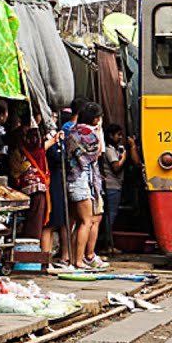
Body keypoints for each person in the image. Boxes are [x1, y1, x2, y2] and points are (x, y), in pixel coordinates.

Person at [66, 102, 108, 270]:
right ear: (95, 118)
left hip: (75, 180)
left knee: (80, 221)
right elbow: (96, 153)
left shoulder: (73, 131)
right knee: (86, 221)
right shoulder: (88, 133)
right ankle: (78, 260)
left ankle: (75, 258)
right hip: (82, 181)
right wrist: (98, 134)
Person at [8, 110, 50, 244]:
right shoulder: (33, 135)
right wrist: (54, 140)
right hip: (34, 182)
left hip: (18, 180)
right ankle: (30, 248)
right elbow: (39, 150)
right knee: (35, 218)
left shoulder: (15, 134)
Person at [99, 124, 132, 253]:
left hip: (113, 186)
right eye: (118, 134)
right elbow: (116, 167)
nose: (120, 137)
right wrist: (124, 157)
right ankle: (107, 246)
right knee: (110, 216)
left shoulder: (113, 149)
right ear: (111, 136)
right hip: (112, 186)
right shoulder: (109, 150)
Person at [43, 111, 68, 267]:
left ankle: (49, 259)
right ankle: (45, 260)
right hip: (50, 180)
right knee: (49, 223)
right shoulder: (46, 138)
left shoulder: (56, 137)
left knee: (55, 223)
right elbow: (55, 157)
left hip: (58, 180)